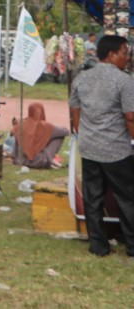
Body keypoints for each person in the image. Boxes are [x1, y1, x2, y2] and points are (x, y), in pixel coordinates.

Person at [69, 35, 134, 258]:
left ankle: (98, 246)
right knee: (126, 197)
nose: (128, 57)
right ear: (112, 54)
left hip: (89, 148)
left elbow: (75, 113)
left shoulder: (81, 78)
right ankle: (132, 245)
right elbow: (130, 117)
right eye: (125, 52)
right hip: (117, 150)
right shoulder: (124, 81)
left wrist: (85, 134)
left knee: (93, 198)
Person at [11, 103, 69, 169]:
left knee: (19, 136)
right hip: (39, 161)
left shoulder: (20, 123)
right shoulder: (45, 126)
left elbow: (12, 133)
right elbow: (66, 132)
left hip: (20, 160)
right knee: (58, 136)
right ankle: (49, 159)